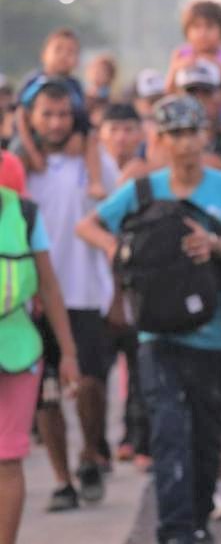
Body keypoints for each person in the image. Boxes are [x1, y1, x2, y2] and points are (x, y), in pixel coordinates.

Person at [76, 95, 221, 544]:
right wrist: (117, 250)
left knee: (205, 437)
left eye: (191, 132)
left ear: (204, 134)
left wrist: (215, 245)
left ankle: (198, 523)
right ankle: (174, 530)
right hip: (154, 335)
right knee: (167, 434)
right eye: (174, 134)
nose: (184, 143)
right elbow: (88, 225)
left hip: (211, 336)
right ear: (158, 140)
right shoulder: (144, 189)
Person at [23, 79, 119, 509]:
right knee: (43, 395)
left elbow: (118, 222)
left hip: (86, 293)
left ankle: (90, 456)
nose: (56, 122)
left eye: (64, 113)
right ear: (32, 117)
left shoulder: (93, 162)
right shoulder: (21, 167)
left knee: (90, 384)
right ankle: (63, 481)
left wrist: (118, 291)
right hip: (33, 299)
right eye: (47, 113)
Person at [0, 185, 79, 544]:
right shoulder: (24, 211)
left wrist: (69, 353)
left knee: (6, 459)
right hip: (19, 349)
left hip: (17, 352)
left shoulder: (25, 213)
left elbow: (49, 287)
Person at [96, 103, 153, 469]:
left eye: (129, 129)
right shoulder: (91, 172)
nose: (121, 137)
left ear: (140, 134)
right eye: (114, 129)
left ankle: (139, 439)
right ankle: (98, 446)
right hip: (96, 286)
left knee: (140, 365)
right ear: (102, 134)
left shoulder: (145, 175)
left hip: (136, 283)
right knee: (96, 372)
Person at [15, 28, 105, 200]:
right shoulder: (34, 81)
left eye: (71, 52)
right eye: (58, 50)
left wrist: (79, 135)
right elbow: (21, 117)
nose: (64, 56)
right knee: (17, 154)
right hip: (30, 138)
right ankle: (19, 191)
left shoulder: (75, 86)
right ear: (44, 54)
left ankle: (95, 182)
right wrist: (33, 152)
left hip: (66, 139)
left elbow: (82, 117)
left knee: (92, 140)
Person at [166, 0, 221, 105]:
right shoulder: (181, 54)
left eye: (209, 26)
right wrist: (177, 68)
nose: (203, 33)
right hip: (187, 108)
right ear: (187, 31)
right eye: (196, 27)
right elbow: (168, 91)